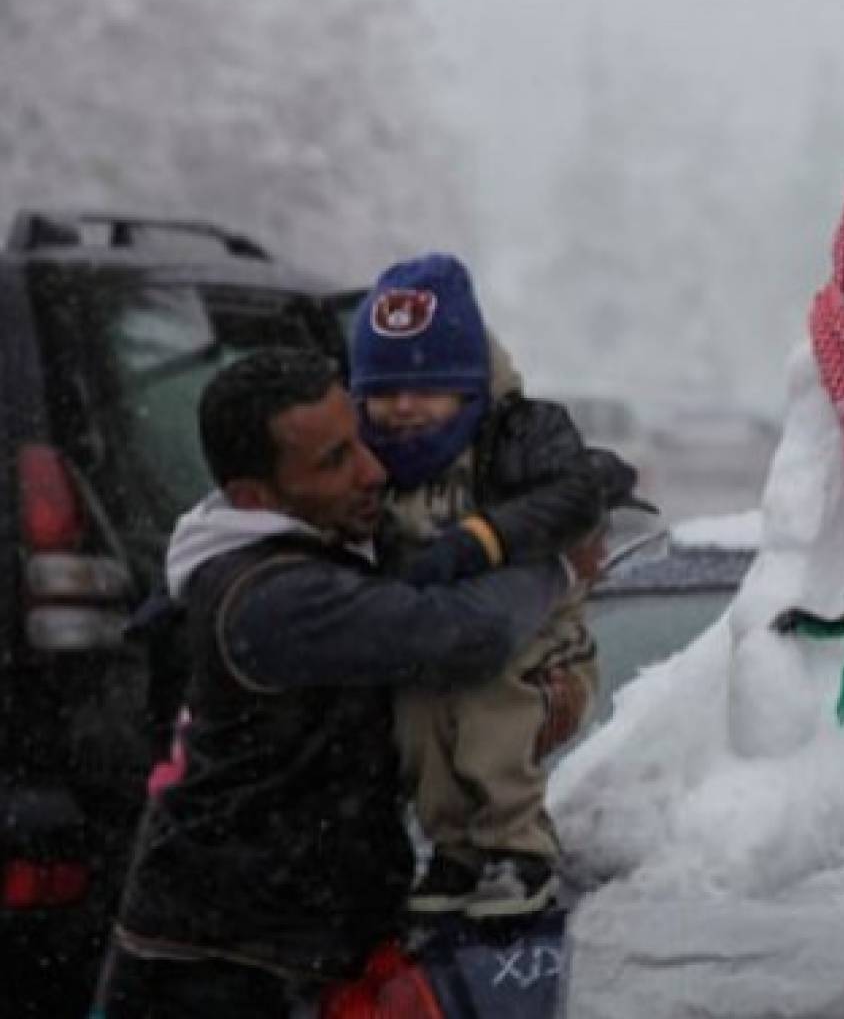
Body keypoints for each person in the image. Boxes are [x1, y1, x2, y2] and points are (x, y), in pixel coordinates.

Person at [95, 348, 602, 1016]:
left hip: (287, 953)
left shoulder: (304, 543)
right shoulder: (271, 597)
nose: (374, 470)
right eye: (335, 461)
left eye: (362, 438)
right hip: (216, 974)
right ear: (255, 497)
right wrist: (558, 565)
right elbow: (464, 635)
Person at [349, 252, 630, 918]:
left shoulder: (520, 431)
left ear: (472, 385)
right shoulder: (367, 462)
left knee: (490, 716)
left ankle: (517, 846)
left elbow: (575, 496)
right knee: (419, 726)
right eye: (386, 394)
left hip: (530, 638)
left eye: (428, 390)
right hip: (424, 634)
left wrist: (486, 538)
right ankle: (453, 850)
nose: (406, 410)